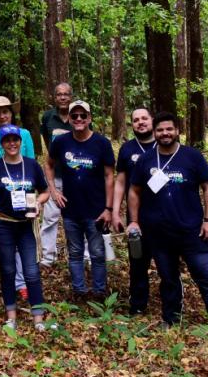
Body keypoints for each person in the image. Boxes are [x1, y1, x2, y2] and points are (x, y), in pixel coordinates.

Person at [127, 112, 208, 327]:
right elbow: (134, 191)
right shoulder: (146, 159)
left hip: (192, 230)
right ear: (154, 132)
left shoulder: (192, 156)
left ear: (177, 131)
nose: (165, 133)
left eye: (169, 129)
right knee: (168, 278)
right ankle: (171, 319)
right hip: (158, 232)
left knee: (204, 275)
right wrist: (134, 221)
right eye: (160, 130)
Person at [0, 125, 54, 332]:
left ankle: (38, 317)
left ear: (21, 142)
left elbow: (45, 191)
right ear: (2, 144)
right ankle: (11, 316)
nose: (12, 144)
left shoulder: (31, 165)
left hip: (26, 226)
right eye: (7, 140)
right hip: (2, 224)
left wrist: (38, 202)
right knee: (8, 270)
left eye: (15, 140)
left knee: (31, 271)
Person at [47, 100, 115, 300]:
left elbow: (109, 176)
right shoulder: (61, 142)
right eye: (74, 116)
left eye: (82, 115)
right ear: (69, 118)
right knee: (75, 252)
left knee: (97, 253)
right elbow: (48, 164)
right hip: (70, 208)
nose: (78, 119)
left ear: (89, 118)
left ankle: (99, 292)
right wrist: (53, 191)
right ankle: (79, 291)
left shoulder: (102, 143)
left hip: (96, 208)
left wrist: (109, 208)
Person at [0, 95, 35, 299]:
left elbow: (31, 163)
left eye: (5, 111)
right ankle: (9, 280)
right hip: (0, 194)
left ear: (11, 113)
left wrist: (32, 199)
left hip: (23, 191)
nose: (2, 116)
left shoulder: (25, 134)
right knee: (5, 239)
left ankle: (22, 282)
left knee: (24, 237)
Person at [113, 107, 156, 315]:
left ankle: (172, 305)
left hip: (165, 215)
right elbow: (120, 182)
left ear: (152, 120)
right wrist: (115, 212)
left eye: (144, 118)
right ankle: (138, 305)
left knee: (167, 261)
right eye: (136, 120)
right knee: (137, 261)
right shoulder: (127, 149)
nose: (141, 122)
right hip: (136, 217)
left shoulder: (165, 145)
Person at [37, 82, 74, 266]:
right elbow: (47, 141)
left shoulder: (78, 115)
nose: (63, 97)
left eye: (66, 94)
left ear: (71, 97)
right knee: (50, 217)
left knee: (77, 217)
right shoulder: (48, 117)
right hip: (55, 174)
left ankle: (81, 255)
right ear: (55, 97)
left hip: (75, 176)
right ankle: (47, 257)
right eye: (59, 94)